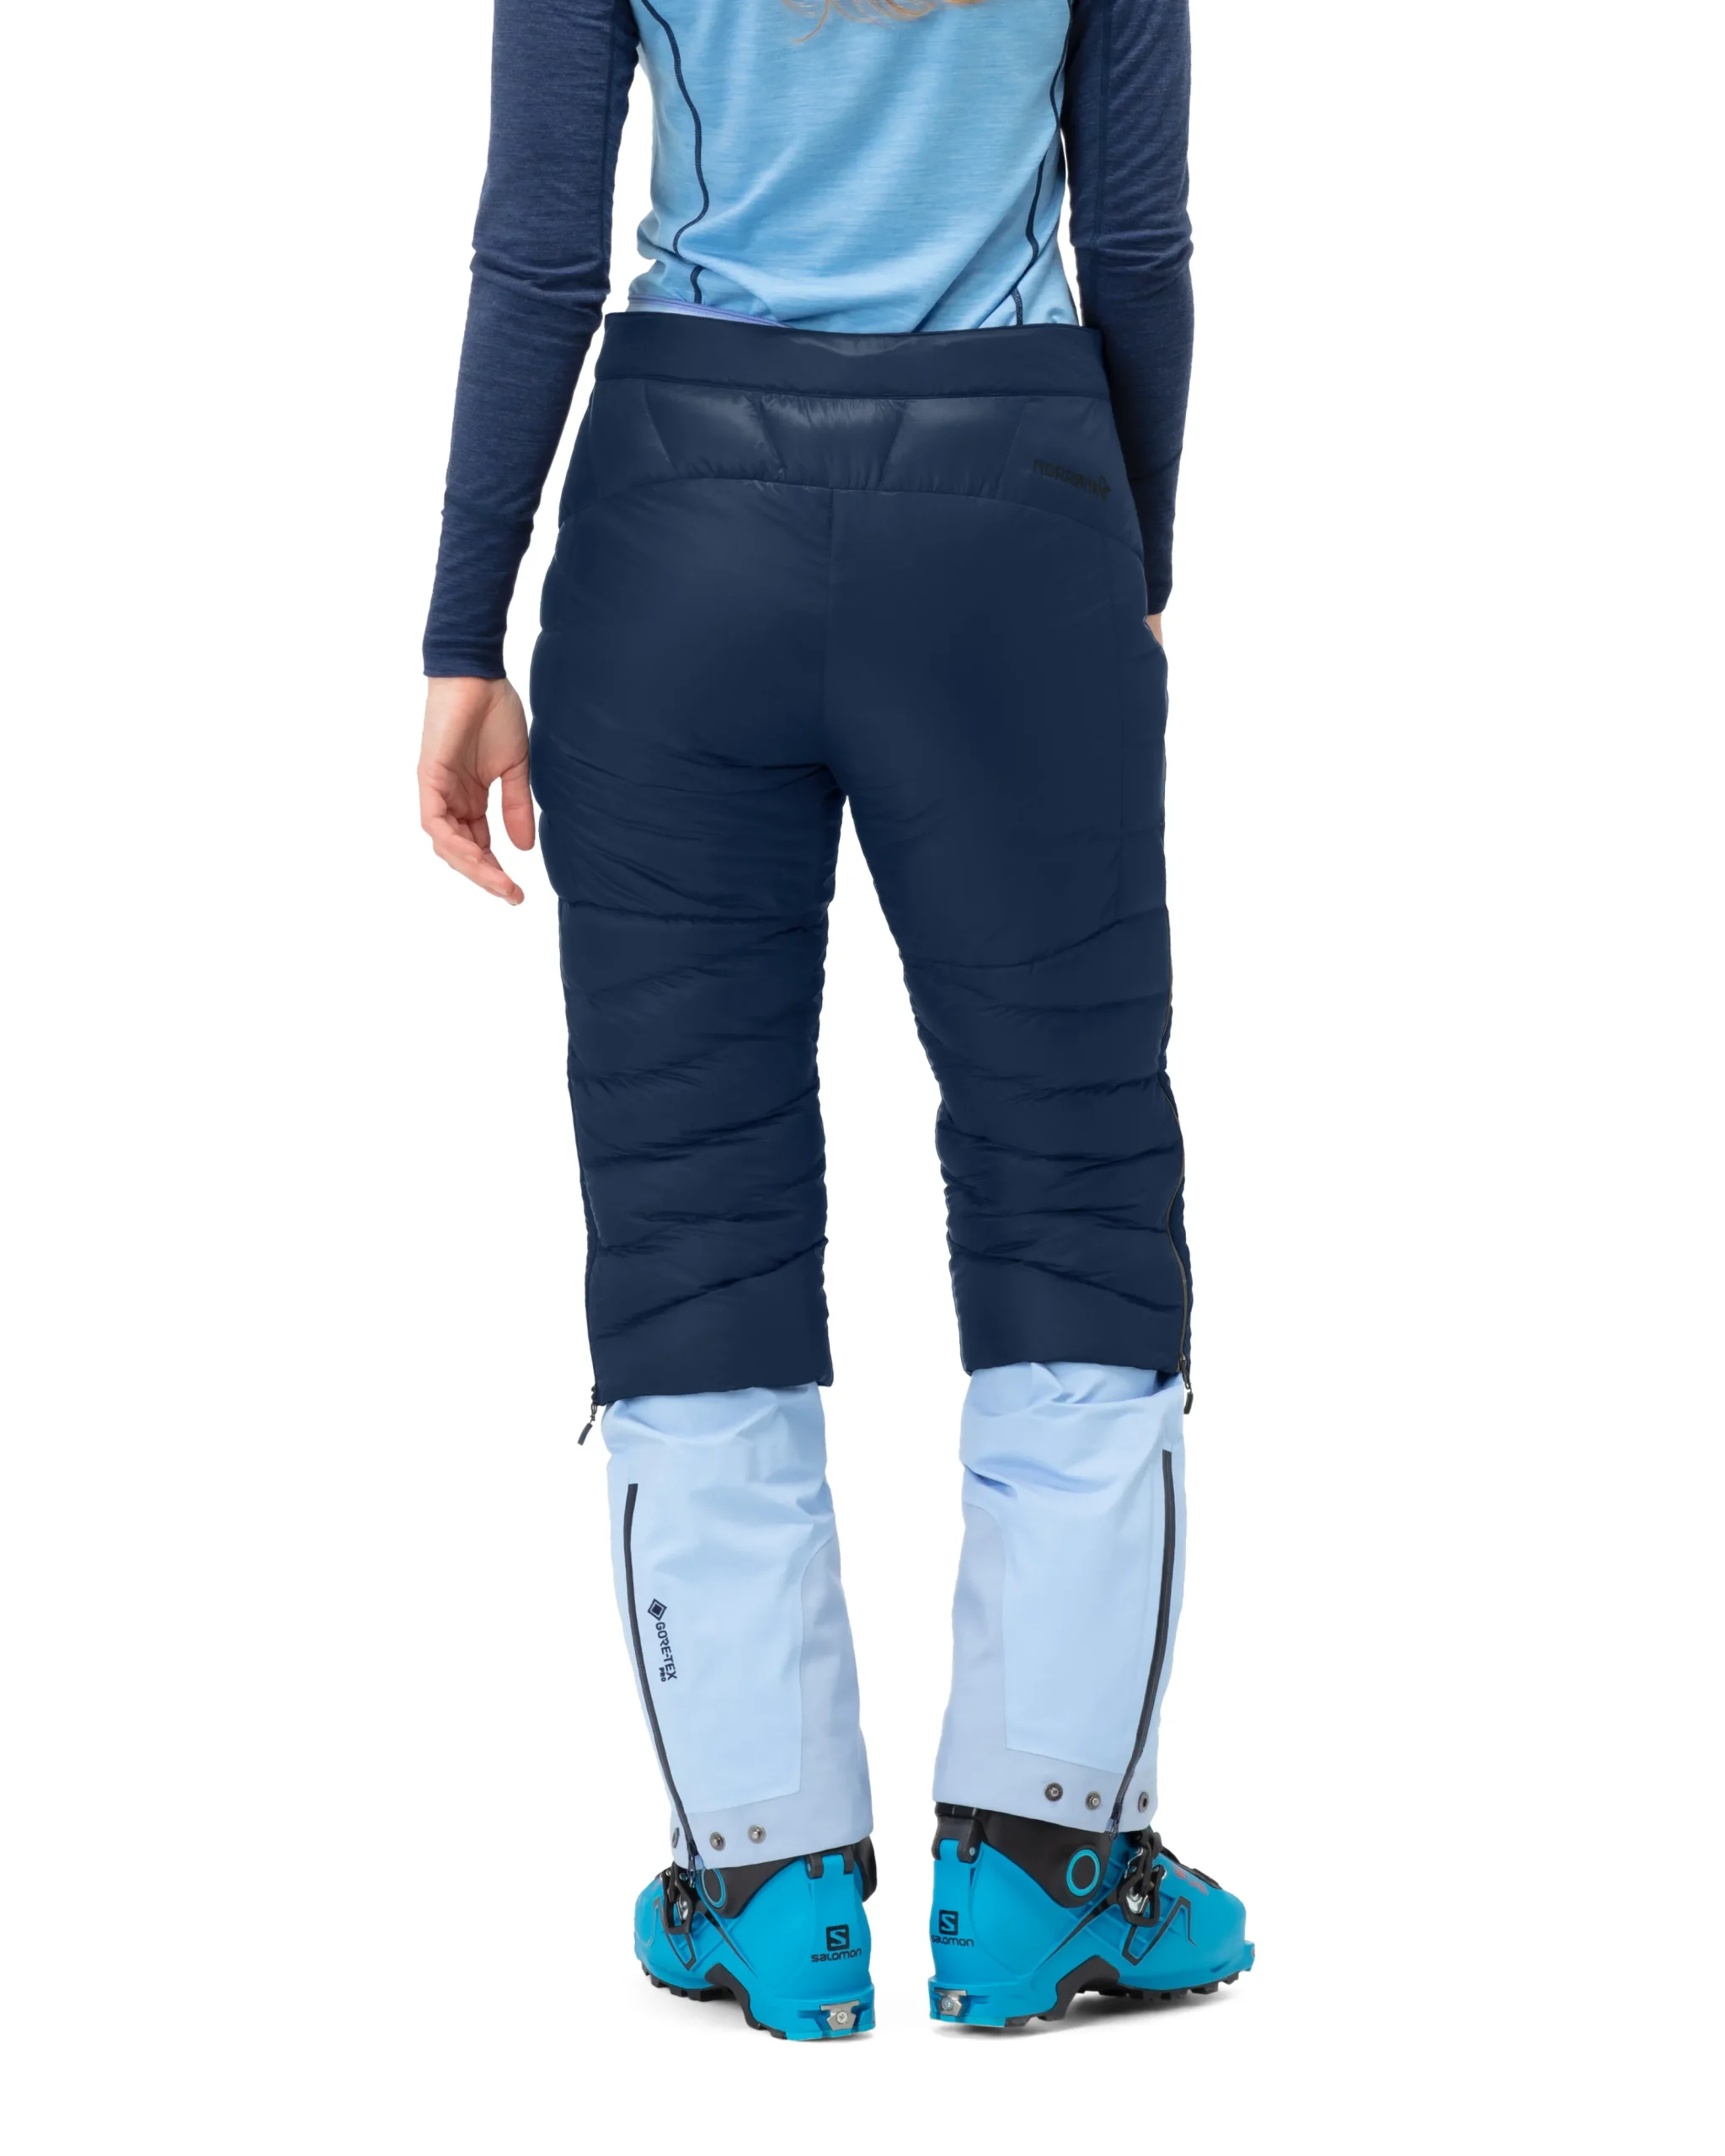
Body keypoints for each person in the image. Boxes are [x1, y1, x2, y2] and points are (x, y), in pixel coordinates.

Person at [419, 0, 1251, 2040]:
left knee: (690, 1189)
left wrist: (460, 631)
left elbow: (539, 242)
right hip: (1013, 511)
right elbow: (1136, 239)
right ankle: (1051, 1865)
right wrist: (1125, 545)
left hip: (676, 522)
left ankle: (762, 1872)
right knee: (1069, 1166)